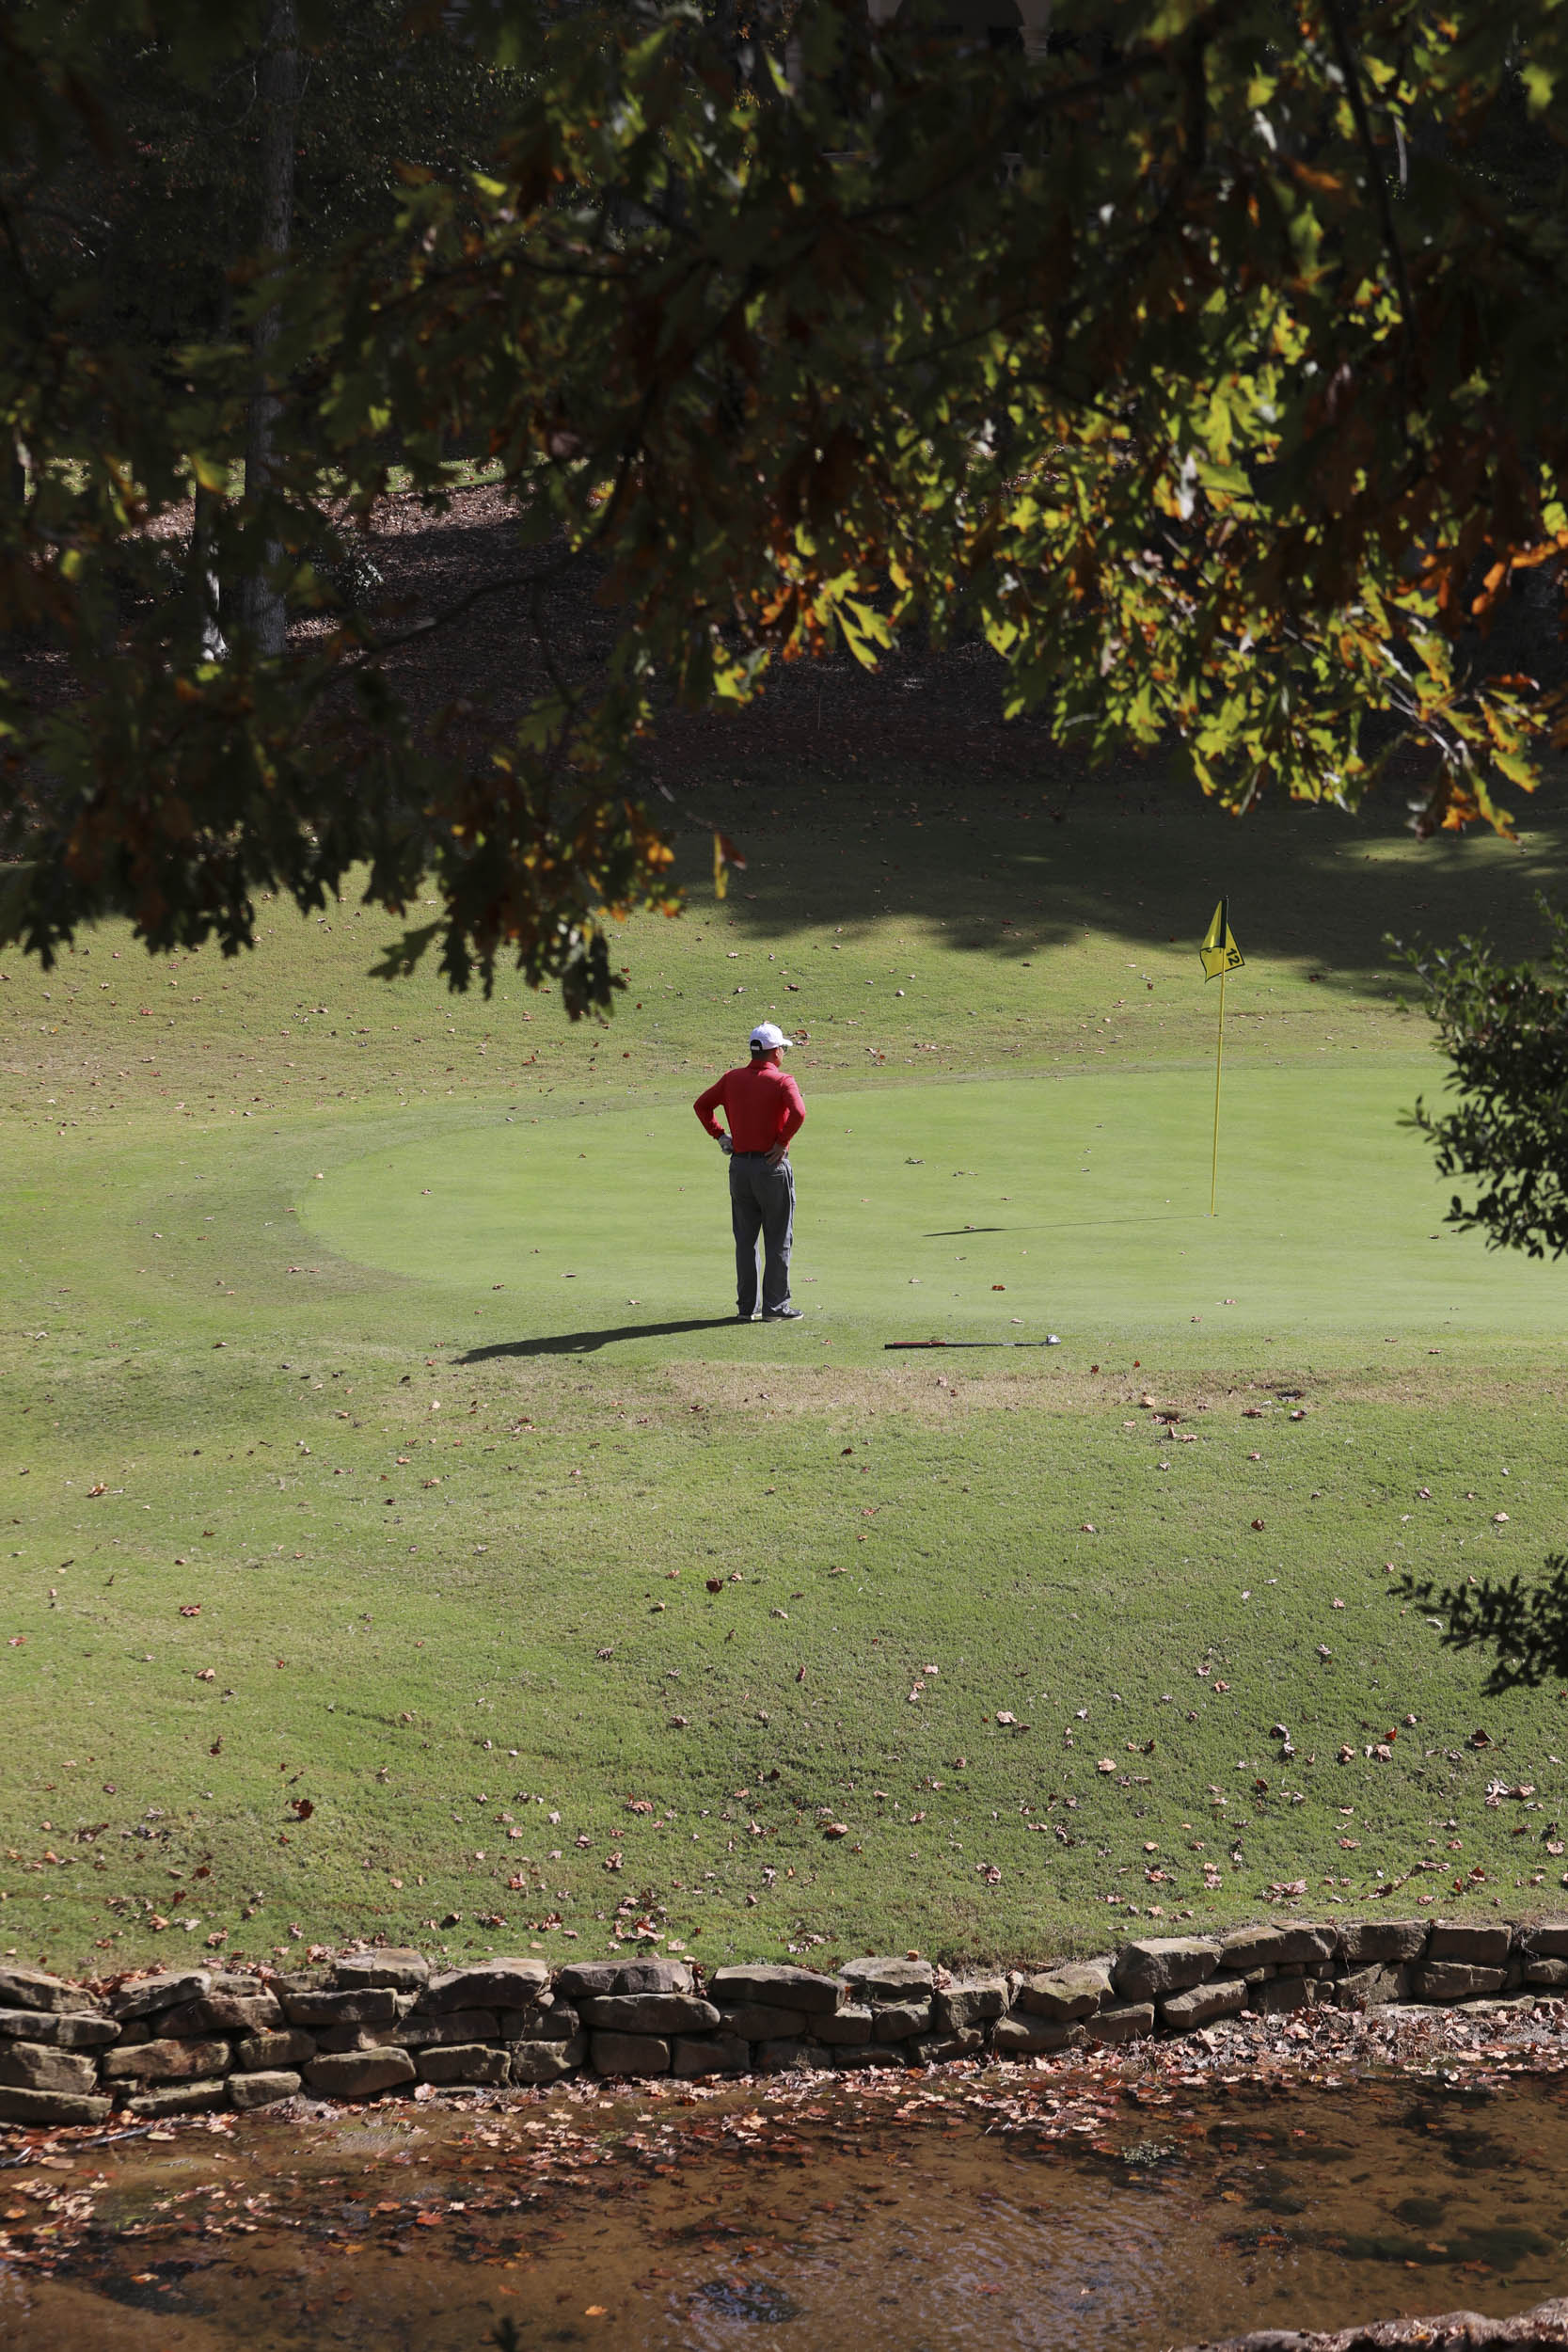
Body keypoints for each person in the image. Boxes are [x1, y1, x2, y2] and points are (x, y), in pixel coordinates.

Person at [693, 1023, 806, 1321]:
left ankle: (747, 1308)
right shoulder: (783, 1081)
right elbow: (799, 1112)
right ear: (775, 1052)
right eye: (782, 1048)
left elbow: (702, 1106)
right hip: (772, 1167)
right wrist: (782, 1142)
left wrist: (720, 1136)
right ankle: (775, 1307)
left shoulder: (731, 1079)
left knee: (745, 1241)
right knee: (778, 1238)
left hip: (740, 1167)